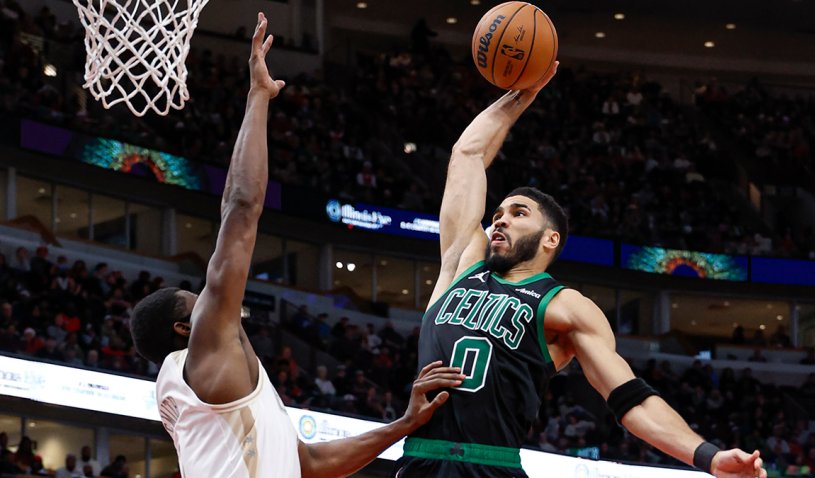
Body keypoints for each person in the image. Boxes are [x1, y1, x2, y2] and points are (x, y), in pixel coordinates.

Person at [129, 14, 463, 478]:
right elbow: (242, 207)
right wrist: (258, 97)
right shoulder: (206, 349)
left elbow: (309, 462)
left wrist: (403, 425)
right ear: (187, 328)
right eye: (198, 300)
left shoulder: (209, 393)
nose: (212, 300)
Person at [394, 61, 766, 478]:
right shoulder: (462, 262)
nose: (499, 219)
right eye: (498, 213)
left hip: (489, 467)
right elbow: (467, 154)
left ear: (551, 239)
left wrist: (708, 456)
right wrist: (523, 94)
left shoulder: (566, 305)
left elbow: (628, 397)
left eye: (518, 213)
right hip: (419, 461)